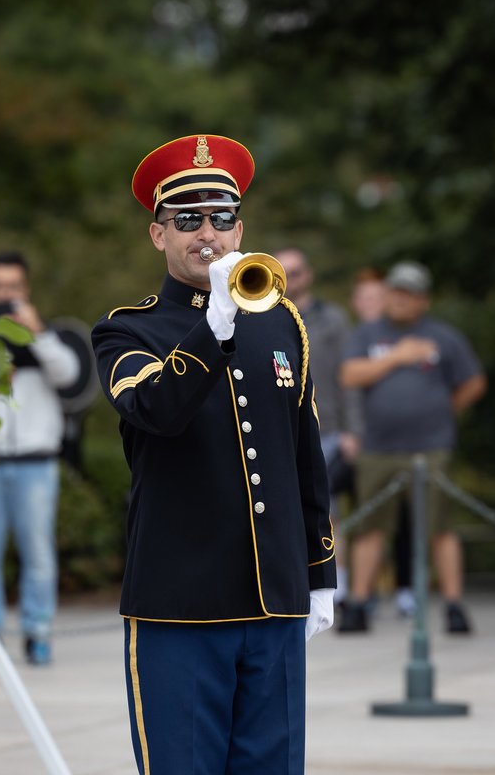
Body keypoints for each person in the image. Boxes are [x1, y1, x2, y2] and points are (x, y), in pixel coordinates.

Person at [92, 133, 336, 774]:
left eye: (222, 219)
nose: (208, 234)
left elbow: (303, 453)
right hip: (181, 603)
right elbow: (154, 410)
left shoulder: (282, 321)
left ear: (241, 228)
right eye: (188, 220)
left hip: (274, 597)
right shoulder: (127, 329)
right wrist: (214, 328)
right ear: (158, 235)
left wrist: (319, 573)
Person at [338, 261, 486, 634]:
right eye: (396, 292)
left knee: (439, 528)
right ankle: (358, 604)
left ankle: (453, 604)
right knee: (371, 529)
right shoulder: (367, 333)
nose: (401, 299)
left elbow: (473, 381)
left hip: (430, 447)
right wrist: (396, 358)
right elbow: (350, 374)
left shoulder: (443, 336)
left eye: (410, 293)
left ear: (424, 299)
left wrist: (442, 409)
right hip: (378, 447)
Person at [0, 250, 80, 667]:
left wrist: (38, 333)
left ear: (26, 290)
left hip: (36, 463)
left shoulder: (45, 335)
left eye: (13, 288)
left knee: (38, 553)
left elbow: (69, 375)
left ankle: (37, 633)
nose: (4, 296)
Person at [274, 246, 361, 604]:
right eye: (285, 272)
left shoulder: (334, 319)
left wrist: (354, 430)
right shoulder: (263, 312)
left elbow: (349, 376)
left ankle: (332, 580)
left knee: (326, 508)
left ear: (308, 274)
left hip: (327, 427)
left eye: (296, 272)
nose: (292, 279)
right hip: (281, 429)